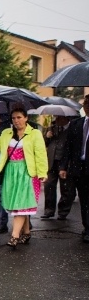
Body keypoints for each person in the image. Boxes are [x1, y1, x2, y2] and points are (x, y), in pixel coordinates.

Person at [0, 107, 48, 249]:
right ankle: (26, 232)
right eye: (14, 118)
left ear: (26, 118)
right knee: (18, 203)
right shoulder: (7, 133)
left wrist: (42, 172)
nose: (16, 120)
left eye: (19, 117)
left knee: (21, 203)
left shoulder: (34, 134)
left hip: (27, 171)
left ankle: (15, 236)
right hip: (10, 172)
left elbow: (40, 154)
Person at [59, 94, 89, 243]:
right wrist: (63, 166)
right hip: (79, 168)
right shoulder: (77, 124)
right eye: (86, 104)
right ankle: (87, 227)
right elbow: (68, 147)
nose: (87, 106)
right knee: (84, 199)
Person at [42, 115, 76, 220]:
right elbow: (44, 143)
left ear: (66, 119)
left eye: (59, 118)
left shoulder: (72, 129)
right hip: (52, 161)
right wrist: (47, 136)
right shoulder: (52, 128)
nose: (56, 120)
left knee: (66, 188)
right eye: (56, 118)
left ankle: (63, 211)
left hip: (64, 162)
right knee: (49, 186)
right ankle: (49, 210)